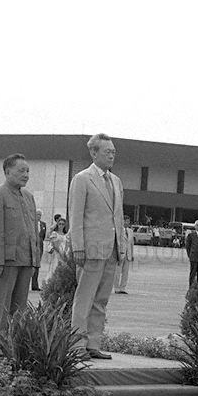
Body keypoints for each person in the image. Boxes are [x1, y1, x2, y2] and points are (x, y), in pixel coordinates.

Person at [69, 133, 125, 360]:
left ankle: (93, 343)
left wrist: (121, 248)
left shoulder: (117, 181)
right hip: (90, 249)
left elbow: (118, 218)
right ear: (93, 153)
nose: (111, 155)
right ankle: (76, 345)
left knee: (101, 299)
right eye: (107, 151)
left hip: (111, 249)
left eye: (113, 151)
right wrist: (77, 247)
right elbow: (76, 216)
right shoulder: (82, 179)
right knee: (84, 298)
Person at [0, 154, 41, 353]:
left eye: (28, 171)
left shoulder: (29, 197)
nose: (26, 175)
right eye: (21, 171)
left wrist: (35, 261)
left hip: (25, 262)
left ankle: (12, 349)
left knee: (19, 310)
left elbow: (33, 230)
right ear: (7, 172)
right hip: (5, 262)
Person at [114, 216, 135, 294]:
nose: (127, 223)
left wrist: (132, 254)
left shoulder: (130, 231)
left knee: (125, 273)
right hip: (120, 254)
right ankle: (116, 288)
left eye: (128, 221)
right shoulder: (118, 231)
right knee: (117, 272)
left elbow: (131, 244)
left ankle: (123, 288)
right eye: (126, 221)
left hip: (128, 254)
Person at [30, 209, 47, 291]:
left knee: (37, 265)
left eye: (40, 215)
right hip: (32, 244)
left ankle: (35, 285)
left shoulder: (43, 224)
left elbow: (43, 236)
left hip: (39, 245)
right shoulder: (31, 223)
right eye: (37, 214)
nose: (39, 216)